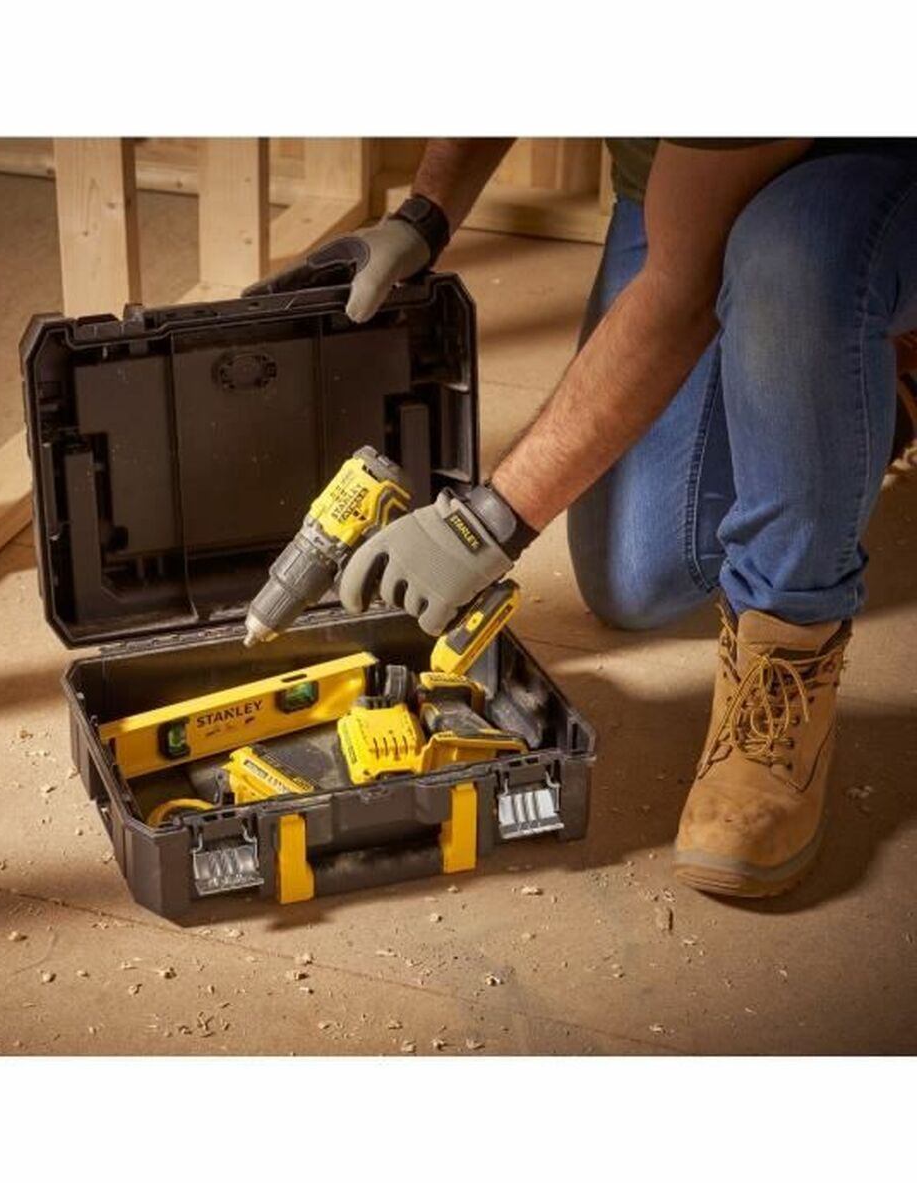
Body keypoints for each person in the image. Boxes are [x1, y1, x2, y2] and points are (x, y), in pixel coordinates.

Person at [247, 137, 917, 899]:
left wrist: (486, 523)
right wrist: (426, 215)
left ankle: (789, 635)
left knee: (793, 252)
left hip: (865, 170)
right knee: (637, 578)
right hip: (689, 177)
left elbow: (679, 293)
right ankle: (865, 393)